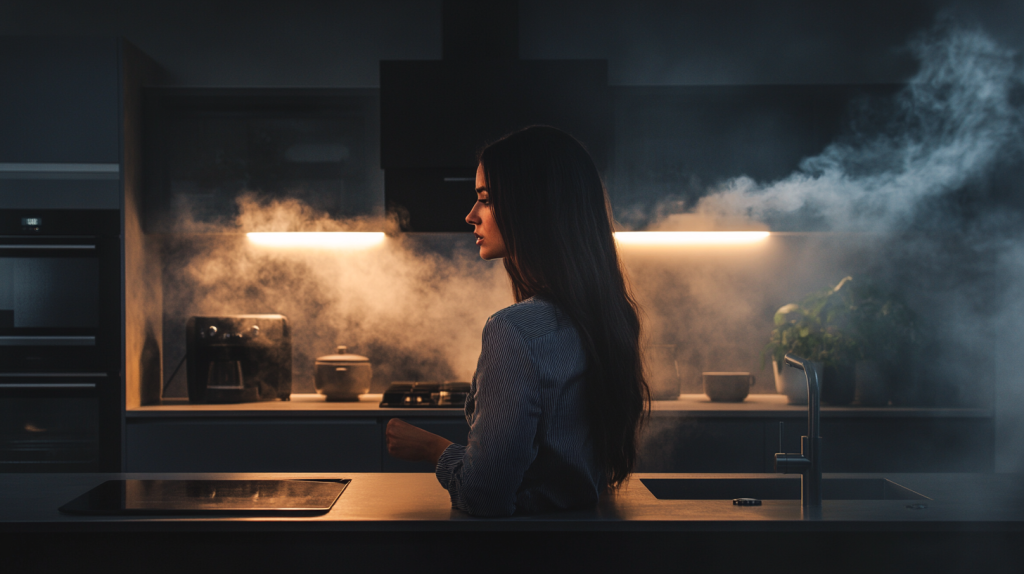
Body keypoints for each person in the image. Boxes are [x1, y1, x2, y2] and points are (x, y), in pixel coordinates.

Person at [385, 126, 649, 516]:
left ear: (533, 208)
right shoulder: (606, 317)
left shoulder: (514, 330)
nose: (470, 215)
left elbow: (484, 497)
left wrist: (434, 449)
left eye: (486, 200)